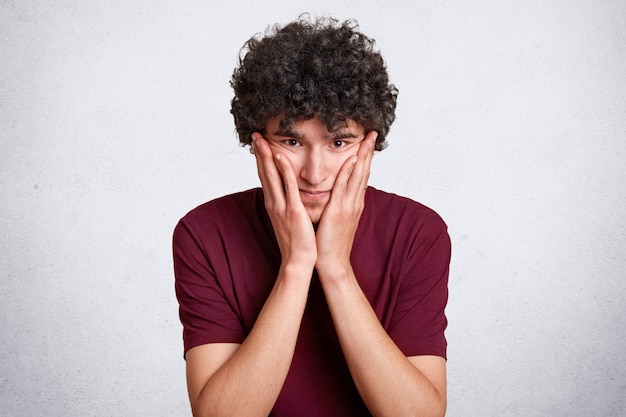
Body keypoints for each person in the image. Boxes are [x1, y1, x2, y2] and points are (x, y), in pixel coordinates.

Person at [173, 15, 451, 417]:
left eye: (339, 142)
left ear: (369, 143)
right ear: (257, 141)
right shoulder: (203, 233)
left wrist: (335, 267)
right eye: (291, 141)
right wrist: (297, 265)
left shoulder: (418, 233)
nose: (314, 173)